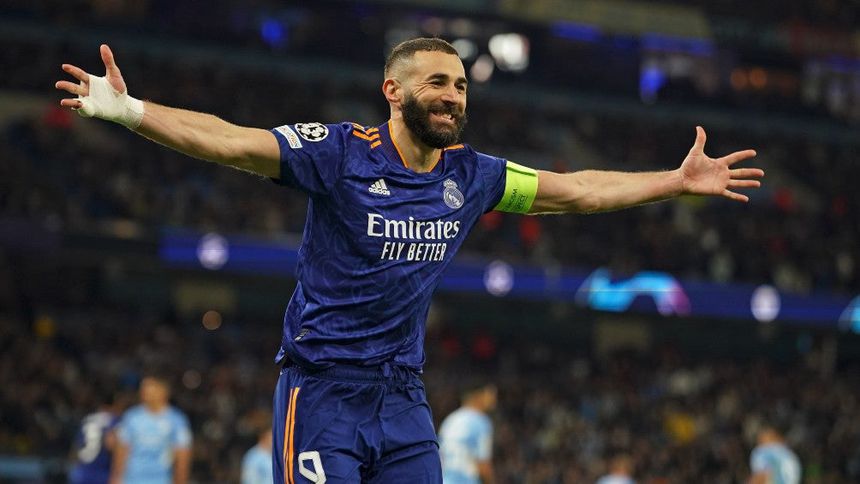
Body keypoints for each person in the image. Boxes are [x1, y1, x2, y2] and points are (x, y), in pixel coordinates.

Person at [55, 38, 763, 483]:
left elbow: (576, 190)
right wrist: (131, 111)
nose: (452, 97)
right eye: (437, 83)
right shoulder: (338, 152)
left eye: (461, 86)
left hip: (403, 400)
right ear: (393, 92)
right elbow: (230, 140)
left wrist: (674, 182)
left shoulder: (473, 175)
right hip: (322, 392)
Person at [109, 375, 192, 484]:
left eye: (150, 387)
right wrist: (116, 478)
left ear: (163, 391)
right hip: (132, 480)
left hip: (161, 480)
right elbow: (122, 449)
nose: (144, 391)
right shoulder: (132, 417)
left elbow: (182, 456)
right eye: (143, 388)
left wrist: (180, 481)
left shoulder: (177, 420)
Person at [438, 382, 497, 484]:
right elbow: (483, 465)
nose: (493, 399)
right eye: (490, 394)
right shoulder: (480, 422)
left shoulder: (450, 420)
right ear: (478, 396)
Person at [68, 391, 125, 484]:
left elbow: (76, 447)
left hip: (81, 473)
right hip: (101, 474)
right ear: (115, 404)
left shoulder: (87, 420)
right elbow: (111, 444)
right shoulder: (114, 420)